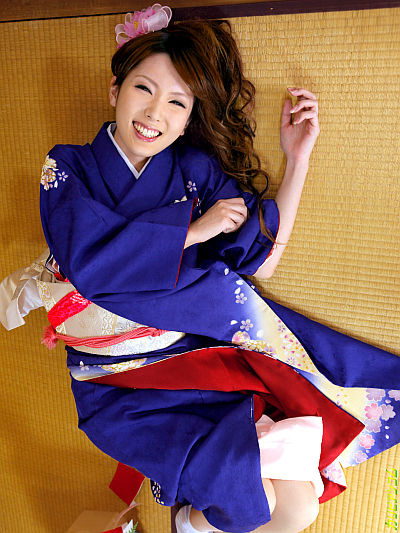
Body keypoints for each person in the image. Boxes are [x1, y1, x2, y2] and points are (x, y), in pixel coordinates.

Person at [1, 7, 399, 533]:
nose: (155, 113)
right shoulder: (67, 166)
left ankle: (188, 523)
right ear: (114, 89)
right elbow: (90, 265)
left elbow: (262, 259)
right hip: (120, 387)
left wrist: (297, 159)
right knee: (261, 499)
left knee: (299, 507)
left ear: (189, 118)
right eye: (143, 89)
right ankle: (191, 520)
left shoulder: (194, 171)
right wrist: (191, 233)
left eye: (177, 102)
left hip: (196, 363)